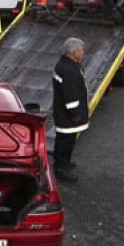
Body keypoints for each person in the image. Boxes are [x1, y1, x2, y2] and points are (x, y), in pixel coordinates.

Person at [51, 37, 89, 182]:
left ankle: (63, 162)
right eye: (80, 50)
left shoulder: (68, 65)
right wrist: (75, 113)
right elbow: (70, 95)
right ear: (73, 52)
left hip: (63, 114)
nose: (83, 52)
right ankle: (61, 169)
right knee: (65, 142)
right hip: (67, 116)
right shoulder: (68, 70)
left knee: (67, 140)